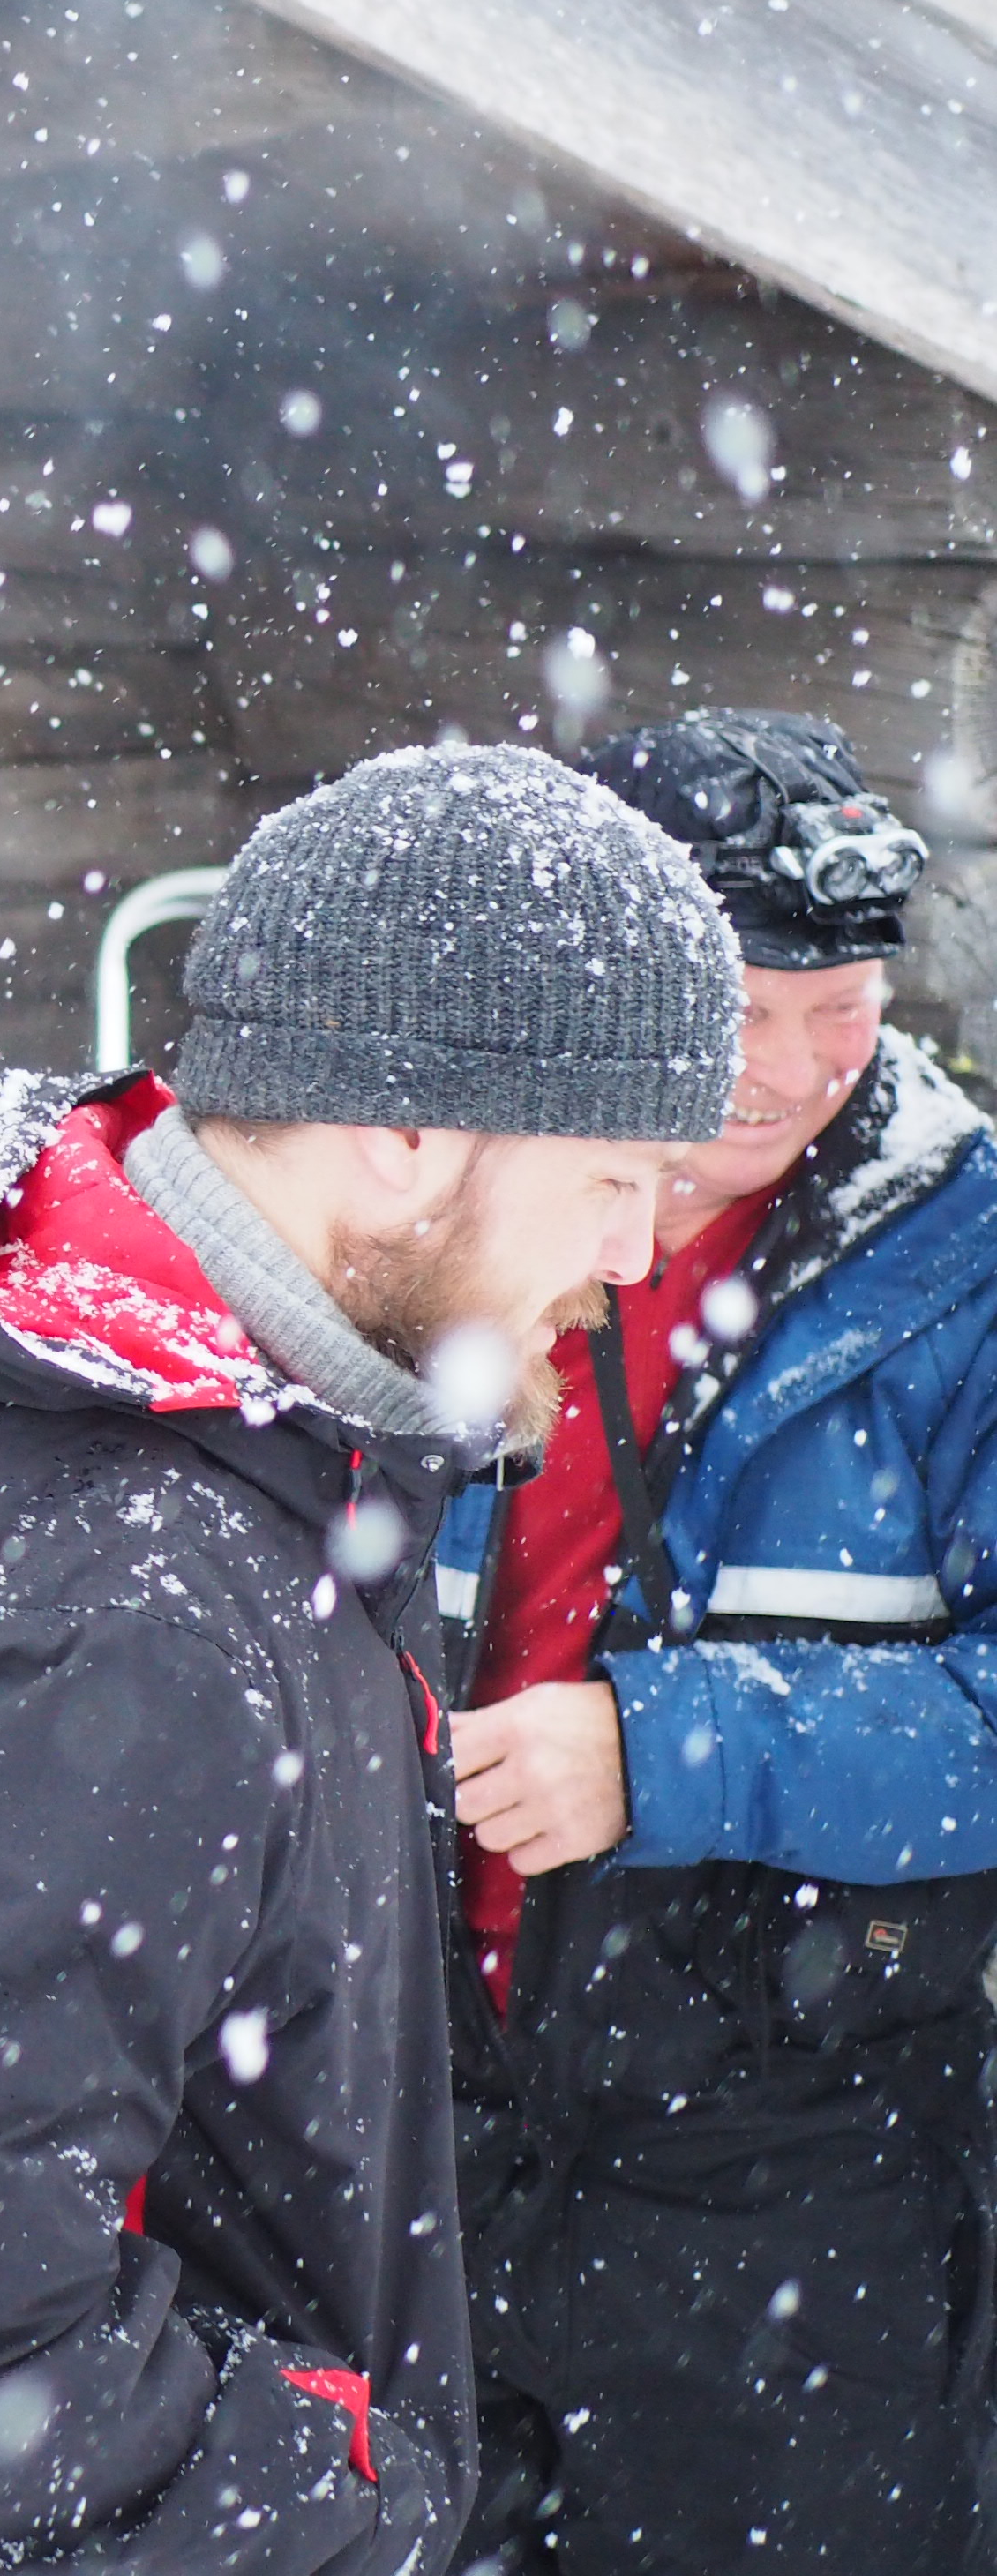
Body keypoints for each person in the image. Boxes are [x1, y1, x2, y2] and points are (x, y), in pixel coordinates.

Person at [0, 745, 743, 2576]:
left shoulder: (67, 1397)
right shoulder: (133, 1588)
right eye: (612, 1173)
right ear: (410, 1134)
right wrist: (346, 2517)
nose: (638, 1248)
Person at [446, 710, 997, 2573]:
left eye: (842, 1013)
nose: (796, 1074)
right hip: (410, 2094)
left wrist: (671, 1750)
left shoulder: (966, 1258)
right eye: (746, 1011)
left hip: (796, 2148)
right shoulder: (428, 1203)